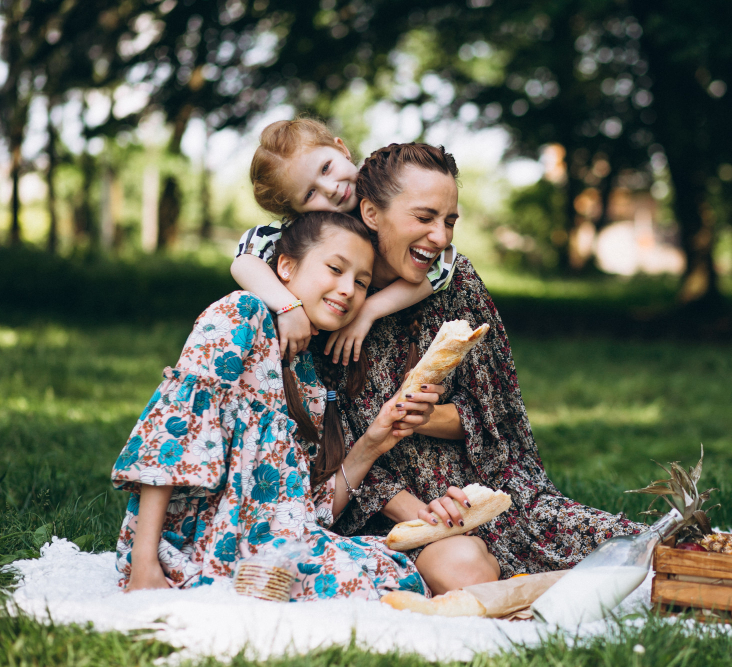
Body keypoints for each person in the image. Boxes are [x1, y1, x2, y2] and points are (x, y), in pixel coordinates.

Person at [232, 143, 642, 582]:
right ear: (371, 214)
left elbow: (499, 417)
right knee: (463, 567)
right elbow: (326, 448)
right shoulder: (326, 299)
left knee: (633, 550)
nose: (441, 237)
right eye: (424, 218)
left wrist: (422, 418)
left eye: (449, 221)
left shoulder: (455, 282)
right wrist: (421, 512)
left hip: (486, 492)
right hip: (383, 510)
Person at [111, 211, 477, 600]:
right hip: (200, 542)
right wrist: (144, 563)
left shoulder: (308, 377)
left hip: (273, 549)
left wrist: (372, 443)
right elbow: (173, 432)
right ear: (285, 266)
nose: (348, 289)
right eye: (335, 269)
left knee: (395, 573)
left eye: (361, 283)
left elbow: (308, 512)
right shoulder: (242, 314)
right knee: (389, 583)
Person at [237, 118, 458, 369]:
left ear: (341, 149)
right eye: (310, 194)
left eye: (325, 168)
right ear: (297, 213)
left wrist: (369, 310)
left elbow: (444, 263)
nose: (330, 188)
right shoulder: (313, 229)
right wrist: (288, 307)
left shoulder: (383, 193)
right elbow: (244, 258)